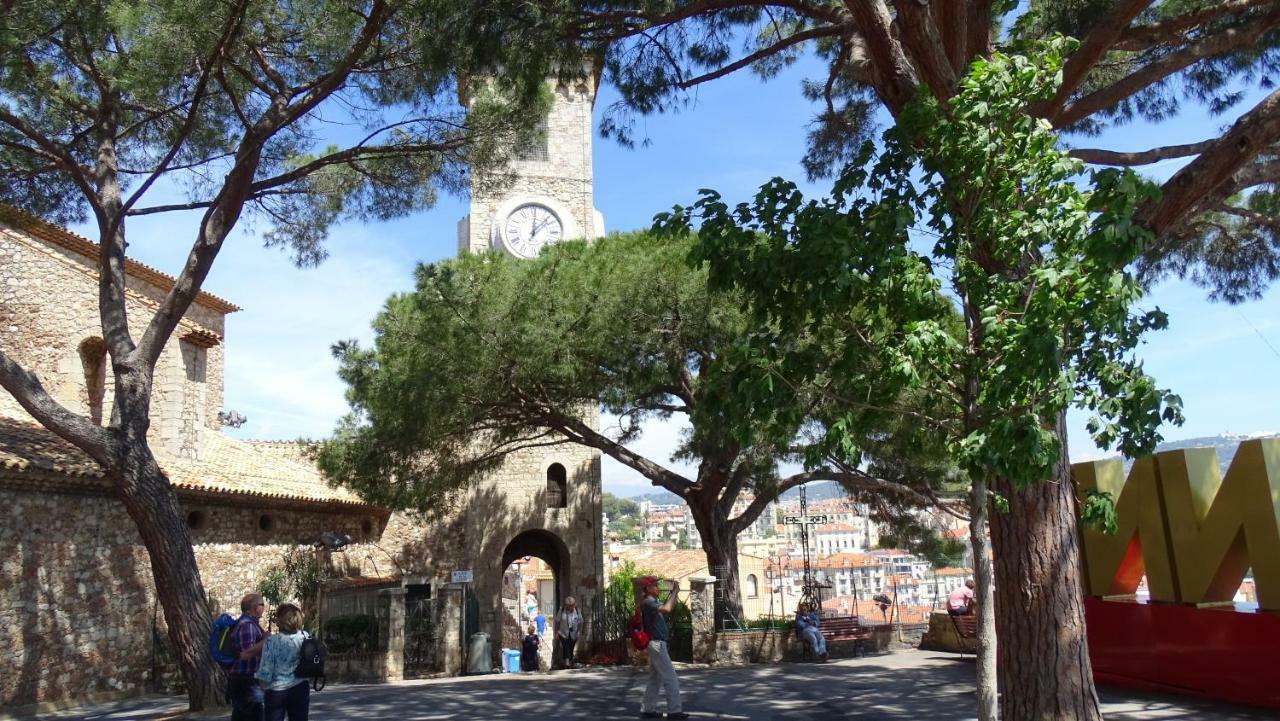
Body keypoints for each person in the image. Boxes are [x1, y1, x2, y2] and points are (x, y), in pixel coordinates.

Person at [639, 576, 687, 720]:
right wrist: (675, 592)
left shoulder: (651, 602)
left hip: (656, 643)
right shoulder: (648, 602)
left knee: (655, 678)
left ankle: (647, 709)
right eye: (654, 585)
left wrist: (674, 593)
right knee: (670, 677)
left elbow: (666, 607)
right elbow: (667, 608)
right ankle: (674, 711)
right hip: (657, 644)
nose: (657, 587)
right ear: (647, 589)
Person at [255, 603, 310, 721]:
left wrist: (262, 686)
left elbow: (266, 671)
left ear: (280, 620)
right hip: (301, 687)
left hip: (277, 691)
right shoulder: (305, 637)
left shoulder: (271, 642)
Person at [228, 593, 268, 721]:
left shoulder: (247, 623)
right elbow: (246, 654)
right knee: (254, 716)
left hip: (242, 680)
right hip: (246, 681)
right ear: (256, 607)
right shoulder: (247, 625)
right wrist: (265, 641)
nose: (263, 607)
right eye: (262, 604)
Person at [555, 596, 583, 669]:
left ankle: (569, 662)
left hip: (573, 633)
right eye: (569, 606)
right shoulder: (562, 610)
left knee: (571, 647)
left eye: (572, 605)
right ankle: (567, 662)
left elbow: (581, 622)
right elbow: (557, 621)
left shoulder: (577, 610)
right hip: (563, 632)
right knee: (566, 646)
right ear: (566, 605)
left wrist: (579, 632)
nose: (571, 607)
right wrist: (557, 631)